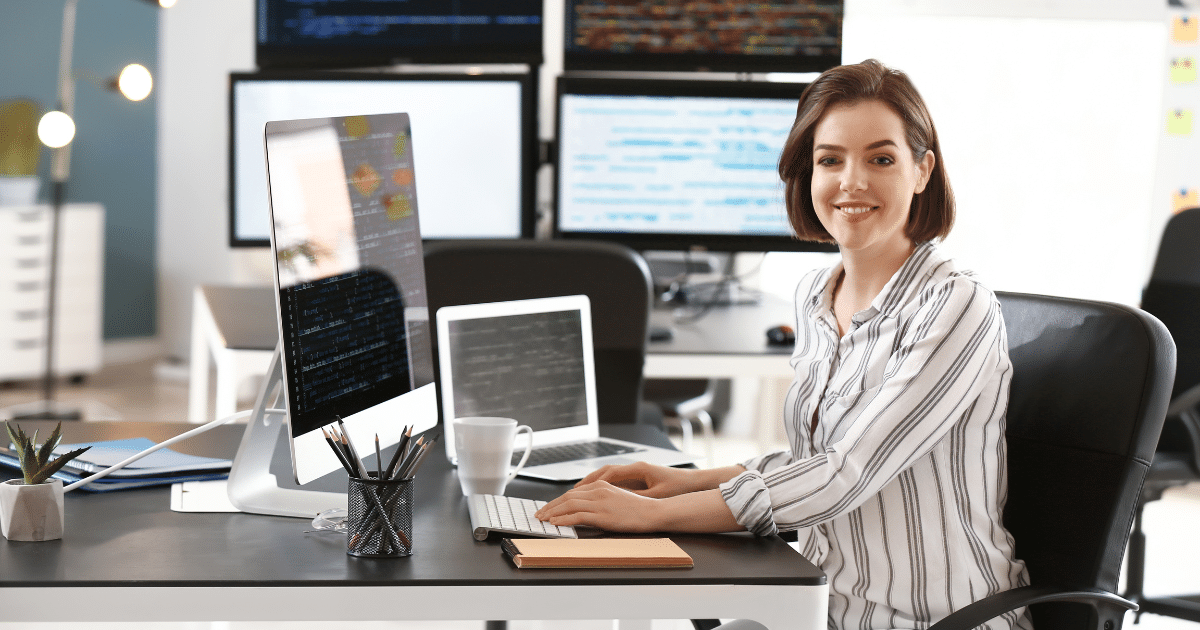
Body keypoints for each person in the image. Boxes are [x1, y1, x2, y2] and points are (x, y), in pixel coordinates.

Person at [535, 59, 1033, 630]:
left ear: (922, 171)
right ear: (807, 174)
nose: (852, 181)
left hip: (936, 619)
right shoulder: (815, 296)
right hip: (819, 603)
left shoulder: (956, 305)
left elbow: (846, 473)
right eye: (830, 160)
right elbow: (812, 458)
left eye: (881, 158)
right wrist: (689, 479)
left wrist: (654, 515)